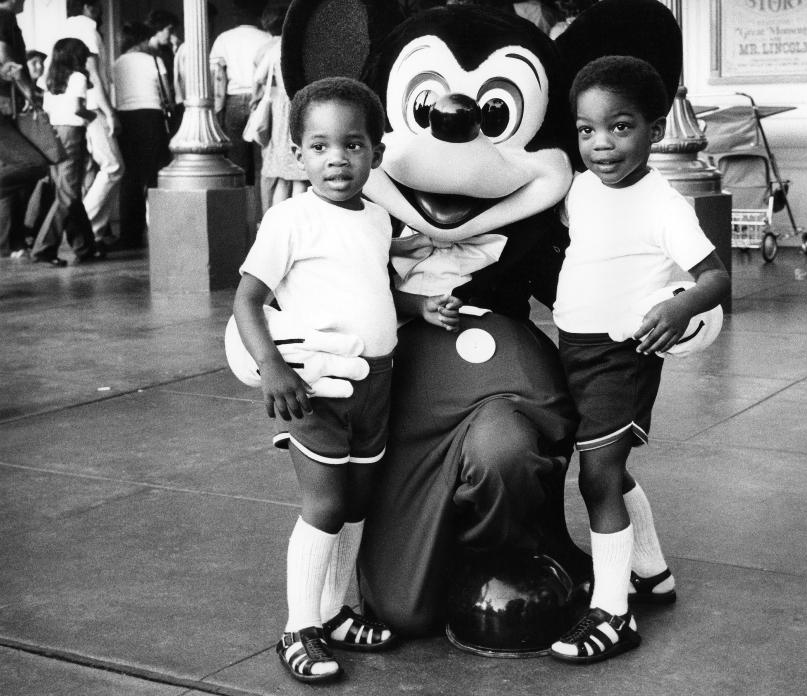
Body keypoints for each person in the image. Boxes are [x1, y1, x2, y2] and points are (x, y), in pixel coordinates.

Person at [232, 77, 458, 684]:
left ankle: (335, 611)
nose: (338, 159)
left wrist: (420, 309)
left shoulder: (377, 220)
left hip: (376, 384)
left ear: (377, 152)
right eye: (321, 146)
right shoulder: (289, 219)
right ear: (298, 153)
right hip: (315, 385)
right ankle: (298, 626)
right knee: (325, 502)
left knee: (357, 501)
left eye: (353, 145)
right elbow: (247, 300)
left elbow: (374, 287)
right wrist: (271, 367)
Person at [547, 55, 730, 664]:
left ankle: (614, 613)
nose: (601, 144)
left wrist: (680, 309)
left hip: (621, 356)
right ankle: (650, 572)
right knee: (610, 467)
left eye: (620, 127)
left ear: (655, 129)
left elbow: (715, 277)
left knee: (597, 476)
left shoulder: (665, 204)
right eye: (586, 130)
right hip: (570, 349)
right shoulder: (577, 189)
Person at [58, 0, 124, 250]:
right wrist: (110, 113)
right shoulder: (88, 28)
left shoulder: (63, 28)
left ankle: (90, 230)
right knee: (114, 166)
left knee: (82, 174)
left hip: (65, 113)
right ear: (88, 6)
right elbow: (94, 72)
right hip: (92, 105)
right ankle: (87, 228)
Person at [30, 37, 99, 266]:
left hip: (52, 134)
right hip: (71, 133)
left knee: (68, 192)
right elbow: (78, 109)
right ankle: (44, 248)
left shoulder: (48, 79)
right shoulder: (78, 77)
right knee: (68, 195)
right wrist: (95, 116)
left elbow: (45, 108)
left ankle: (85, 246)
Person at [112, 22, 170, 250]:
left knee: (131, 178)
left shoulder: (117, 63)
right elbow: (166, 89)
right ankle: (161, 228)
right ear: (143, 40)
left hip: (126, 117)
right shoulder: (153, 60)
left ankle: (130, 235)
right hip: (152, 115)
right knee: (156, 174)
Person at [250, 3, 309, 212]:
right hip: (300, 109)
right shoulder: (300, 44)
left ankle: (277, 226)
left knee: (282, 180)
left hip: (279, 114)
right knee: (301, 178)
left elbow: (258, 77)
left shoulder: (275, 48)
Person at [209, 0, 272, 187]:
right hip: (261, 101)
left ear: (239, 13)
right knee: (262, 162)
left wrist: (217, 110)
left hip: (233, 102)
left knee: (237, 161)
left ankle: (240, 210)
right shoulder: (267, 38)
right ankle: (262, 211)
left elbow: (218, 78)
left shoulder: (224, 38)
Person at [0, 0, 38, 258]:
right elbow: (5, 60)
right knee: (33, 163)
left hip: (5, 105)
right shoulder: (4, 16)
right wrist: (30, 92)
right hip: (4, 106)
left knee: (13, 169)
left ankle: (10, 242)